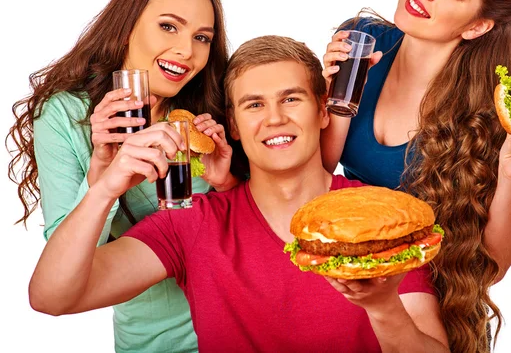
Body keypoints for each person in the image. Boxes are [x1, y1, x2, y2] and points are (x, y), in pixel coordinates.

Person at [28, 36, 450, 353]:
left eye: (291, 98)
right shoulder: (191, 224)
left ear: (322, 110)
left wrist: (382, 307)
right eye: (254, 105)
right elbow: (52, 298)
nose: (275, 119)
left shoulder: (380, 217)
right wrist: (106, 187)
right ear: (232, 124)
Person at [320, 0, 511, 353]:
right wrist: (332, 100)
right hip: (350, 279)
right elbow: (320, 173)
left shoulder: (485, 113)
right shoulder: (362, 42)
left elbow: (494, 265)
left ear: (477, 26)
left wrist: (508, 174)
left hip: (430, 309)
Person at [7, 0, 238, 352]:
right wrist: (104, 177)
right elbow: (64, 274)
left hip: (243, 326)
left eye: (202, 37)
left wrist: (229, 181)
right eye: (169, 26)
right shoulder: (66, 114)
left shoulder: (214, 103)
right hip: (156, 339)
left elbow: (268, 215)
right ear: (128, 25)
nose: (186, 51)